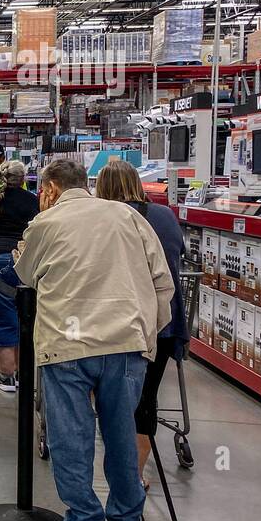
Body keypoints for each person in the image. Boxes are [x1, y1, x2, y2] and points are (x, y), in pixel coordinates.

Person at [13, 159, 174, 521]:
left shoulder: (45, 224)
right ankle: (126, 517)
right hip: (125, 342)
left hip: (67, 343)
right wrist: (145, 332)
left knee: (71, 434)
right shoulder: (128, 216)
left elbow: (25, 274)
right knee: (121, 431)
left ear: (49, 189)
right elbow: (162, 280)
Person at [94, 159, 188, 490]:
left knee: (113, 398)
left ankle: (120, 471)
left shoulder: (102, 218)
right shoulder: (163, 215)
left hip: (119, 322)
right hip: (163, 322)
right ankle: (135, 474)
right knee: (146, 397)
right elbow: (177, 255)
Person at [0, 159, 40, 393]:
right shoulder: (33, 201)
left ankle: (6, 377)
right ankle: (25, 376)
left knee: (2, 320)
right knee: (27, 319)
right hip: (21, 261)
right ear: (23, 178)